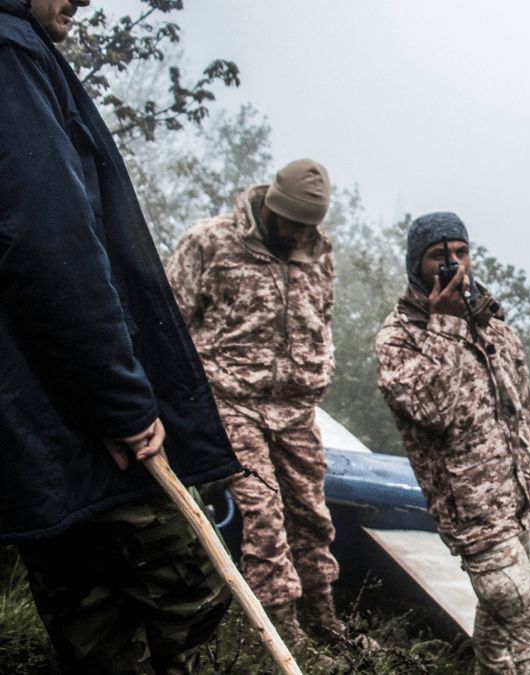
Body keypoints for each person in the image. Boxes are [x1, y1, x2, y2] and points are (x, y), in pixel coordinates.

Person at [0, 0, 242, 671]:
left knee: (88, 618)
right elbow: (51, 249)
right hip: (78, 420)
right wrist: (124, 404)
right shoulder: (12, 55)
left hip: (31, 428)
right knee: (181, 593)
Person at [376, 212, 530, 674]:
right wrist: (445, 324)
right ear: (414, 265)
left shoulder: (493, 325)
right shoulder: (398, 338)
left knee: (500, 633)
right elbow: (433, 411)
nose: (454, 264)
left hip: (515, 502)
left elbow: (520, 409)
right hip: (474, 516)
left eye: (461, 252)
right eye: (438, 257)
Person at [166, 159, 342, 645]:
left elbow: (321, 320)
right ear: (271, 207)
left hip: (296, 410)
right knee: (263, 511)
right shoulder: (210, 243)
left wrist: (318, 368)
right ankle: (281, 632)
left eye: (311, 225)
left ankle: (324, 620)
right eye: (294, 223)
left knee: (312, 515)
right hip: (230, 401)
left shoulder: (319, 253)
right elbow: (170, 323)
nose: (301, 234)